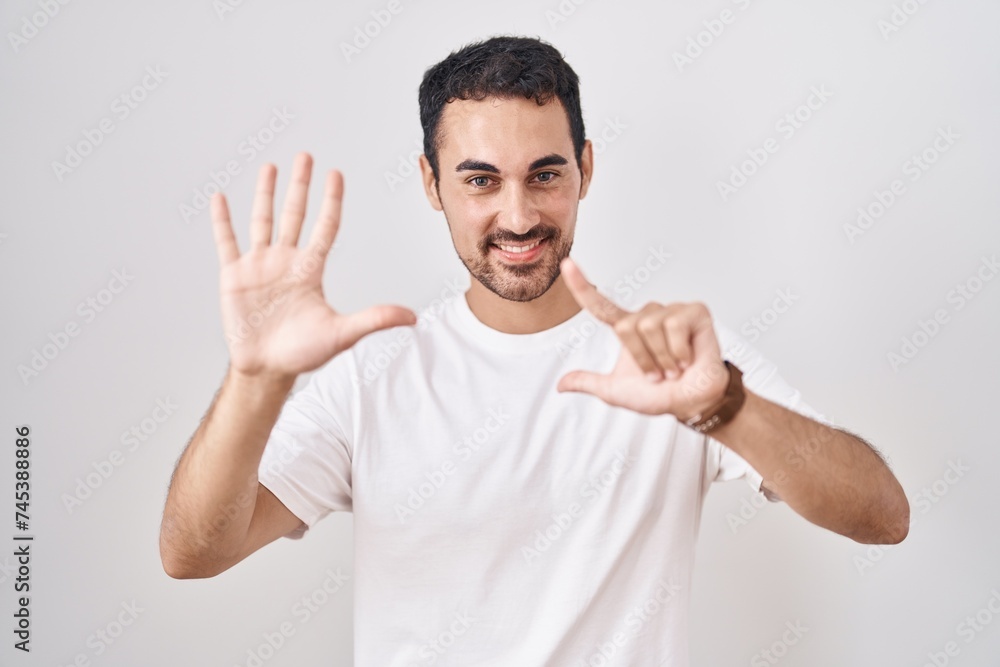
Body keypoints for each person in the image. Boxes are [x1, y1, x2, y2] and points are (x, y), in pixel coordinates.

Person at [159, 35, 909, 666]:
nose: (517, 216)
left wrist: (724, 407)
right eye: (480, 180)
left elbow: (882, 514)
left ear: (585, 166)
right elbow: (192, 551)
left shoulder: (680, 362)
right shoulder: (371, 375)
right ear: (430, 183)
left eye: (545, 175)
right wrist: (254, 380)